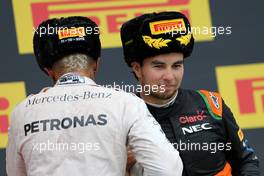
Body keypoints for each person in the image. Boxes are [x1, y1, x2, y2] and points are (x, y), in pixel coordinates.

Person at [6, 16, 183, 176]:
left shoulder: (22, 112)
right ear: (96, 64)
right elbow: (167, 169)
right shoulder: (125, 103)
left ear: (49, 71)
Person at [120, 11, 260, 175]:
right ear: (137, 69)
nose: (169, 76)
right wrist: (124, 166)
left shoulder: (211, 104)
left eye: (177, 66)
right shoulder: (121, 117)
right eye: (159, 66)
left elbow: (247, 161)